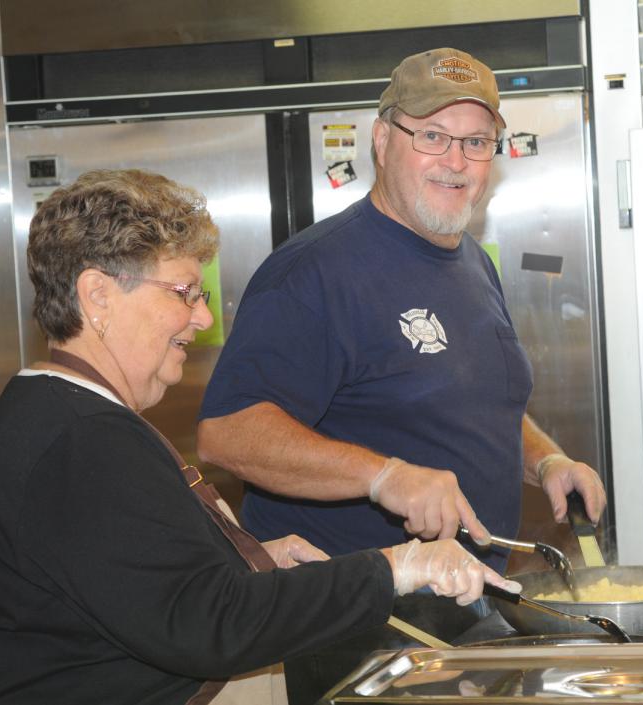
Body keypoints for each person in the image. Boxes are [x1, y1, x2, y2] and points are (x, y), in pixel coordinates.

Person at [0, 169, 520, 705]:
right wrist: (399, 566)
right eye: (183, 293)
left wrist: (245, 558)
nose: (202, 318)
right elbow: (211, 627)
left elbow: (131, 582)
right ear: (98, 294)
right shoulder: (83, 439)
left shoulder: (61, 411)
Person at [195, 49, 607, 681]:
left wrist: (545, 459)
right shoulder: (314, 273)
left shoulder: (471, 261)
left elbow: (474, 400)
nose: (456, 161)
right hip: (359, 629)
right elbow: (226, 435)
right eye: (433, 136)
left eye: (476, 142)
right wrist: (384, 476)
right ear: (383, 140)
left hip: (464, 608)